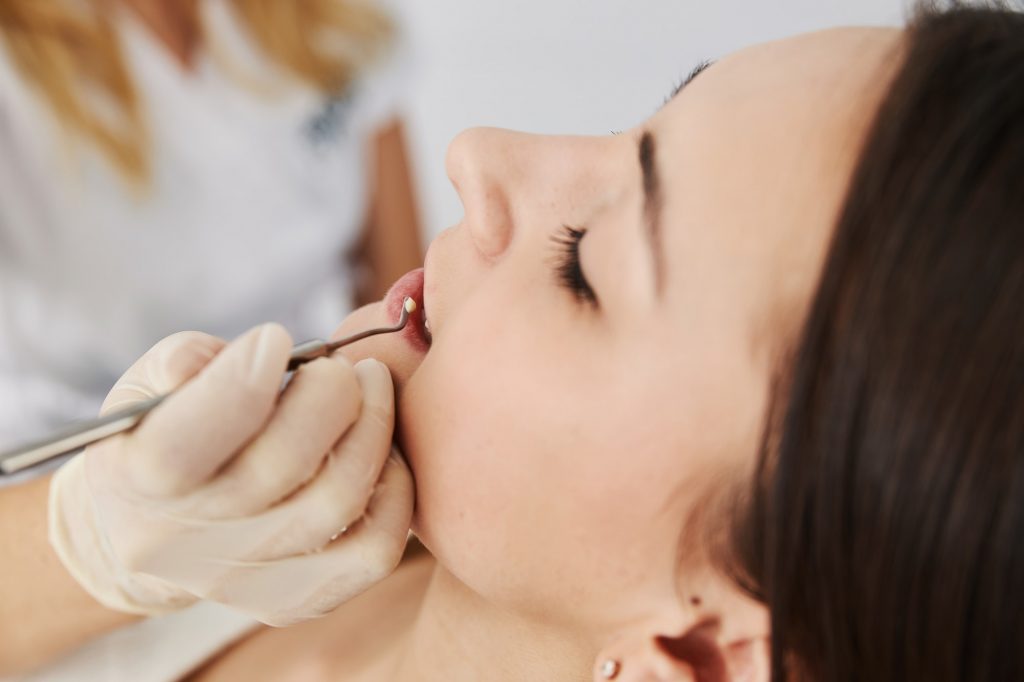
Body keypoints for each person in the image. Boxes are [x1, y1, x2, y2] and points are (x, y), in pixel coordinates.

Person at [4, 3, 1023, 680]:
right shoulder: (285, 548)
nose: (476, 151)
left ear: (702, 654)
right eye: (634, 133)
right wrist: (79, 545)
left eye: (583, 260)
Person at [0, 0, 423, 474]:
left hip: (307, 440)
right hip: (59, 473)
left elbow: (401, 324)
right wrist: (83, 525)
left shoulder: (335, 21)